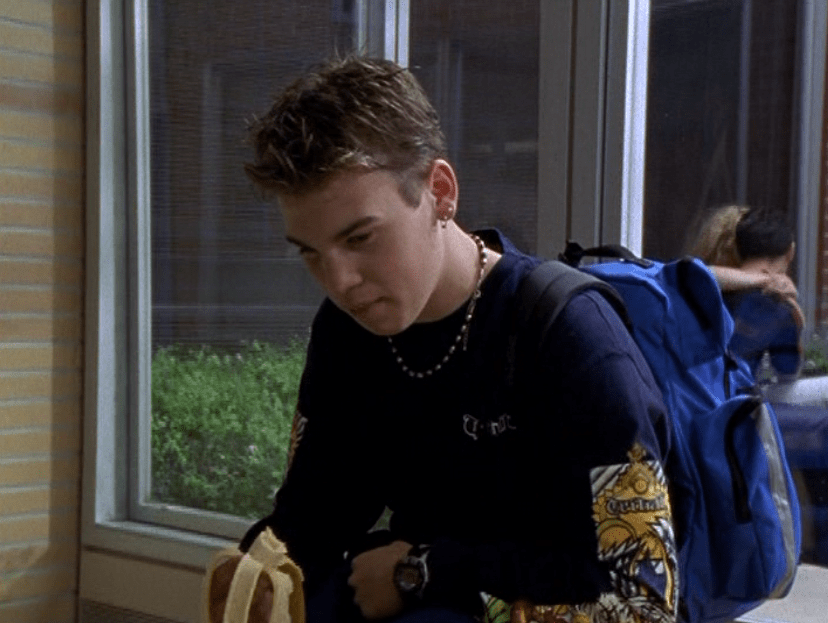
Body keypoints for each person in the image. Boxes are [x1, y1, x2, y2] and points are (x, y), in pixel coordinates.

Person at [209, 55, 678, 623]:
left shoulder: (572, 337)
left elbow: (643, 603)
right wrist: (260, 568)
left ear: (440, 192)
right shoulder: (347, 329)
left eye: (360, 238)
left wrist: (424, 570)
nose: (339, 281)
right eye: (310, 253)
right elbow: (317, 513)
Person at [688, 204, 803, 378]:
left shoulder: (696, 289)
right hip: (732, 394)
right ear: (791, 252)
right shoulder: (779, 311)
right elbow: (787, 371)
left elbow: (695, 274)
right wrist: (796, 319)